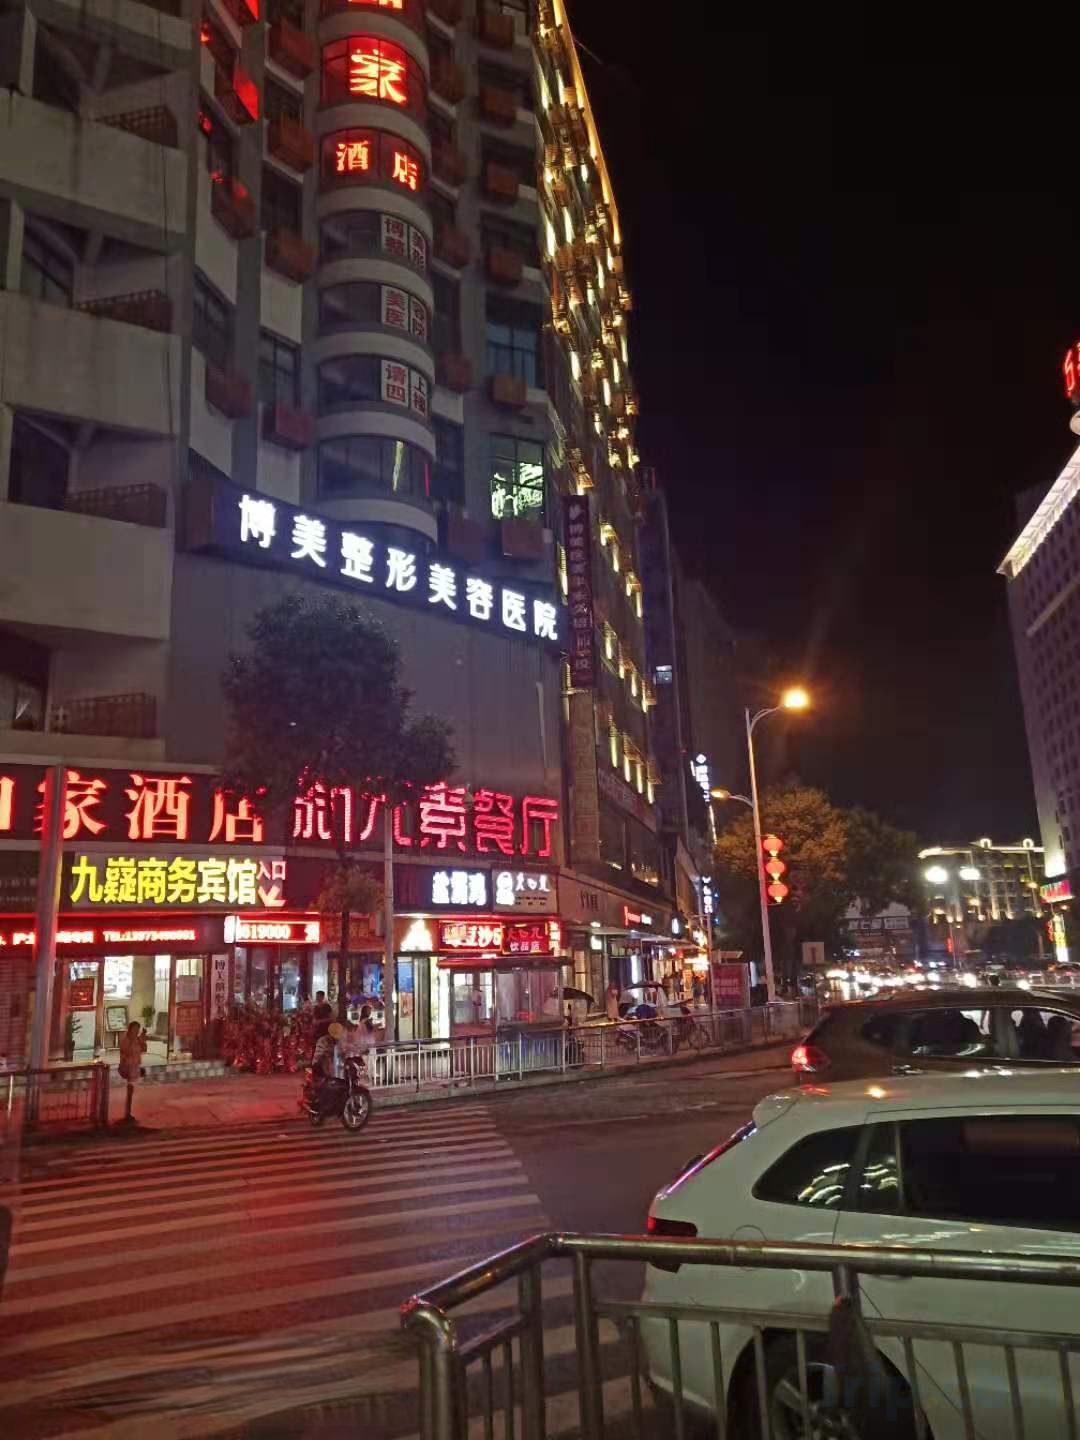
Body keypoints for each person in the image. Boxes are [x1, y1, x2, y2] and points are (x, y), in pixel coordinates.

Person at [118, 1021, 147, 1124]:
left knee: (131, 1091)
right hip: (127, 1067)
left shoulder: (138, 1040)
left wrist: (143, 1039)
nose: (136, 1031)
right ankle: (127, 1113)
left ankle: (128, 1113)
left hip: (135, 1067)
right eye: (135, 1029)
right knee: (130, 1090)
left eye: (137, 1029)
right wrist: (133, 1041)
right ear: (130, 1029)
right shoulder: (125, 1040)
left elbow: (144, 1049)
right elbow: (125, 1051)